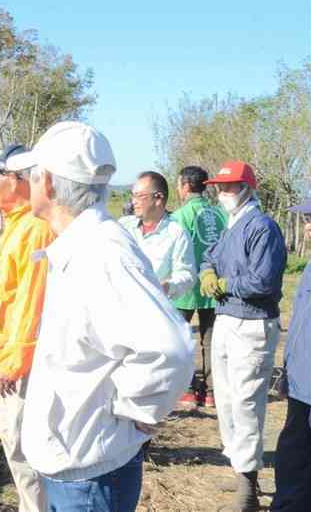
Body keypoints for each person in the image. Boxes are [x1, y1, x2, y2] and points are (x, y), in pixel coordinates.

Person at [6, 121, 195, 512]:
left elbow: (169, 348)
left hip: (89, 476)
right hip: (77, 465)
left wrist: (135, 410)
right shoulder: (84, 244)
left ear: (52, 185)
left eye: (33, 175)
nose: (27, 182)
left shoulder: (102, 254)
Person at [0, 144, 56, 512]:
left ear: (18, 181)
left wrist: (11, 361)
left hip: (21, 364)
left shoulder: (35, 230)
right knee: (16, 444)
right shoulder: (18, 226)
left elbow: (32, 302)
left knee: (23, 446)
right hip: (10, 357)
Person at [199, 161, 287, 512]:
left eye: (231, 186)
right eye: (220, 187)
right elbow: (212, 255)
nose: (223, 193)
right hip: (226, 319)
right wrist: (207, 270)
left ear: (248, 189)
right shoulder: (232, 224)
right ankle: (240, 470)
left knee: (247, 403)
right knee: (227, 401)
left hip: (252, 323)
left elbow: (263, 281)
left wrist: (225, 284)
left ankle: (248, 487)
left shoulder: (262, 226)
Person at [172, 166, 227, 409]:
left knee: (180, 339)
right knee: (211, 339)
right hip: (214, 287)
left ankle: (187, 389)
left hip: (185, 289)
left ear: (184, 186)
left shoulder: (180, 216)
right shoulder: (220, 214)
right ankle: (211, 392)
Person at [271, 198, 311, 512]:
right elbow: (299, 324)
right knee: (292, 458)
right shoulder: (310, 265)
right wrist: (287, 370)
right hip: (301, 381)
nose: (308, 227)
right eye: (307, 219)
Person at [118, 171, 196, 301]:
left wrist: (166, 287)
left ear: (158, 198)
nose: (134, 202)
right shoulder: (123, 226)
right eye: (133, 196)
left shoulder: (176, 233)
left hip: (156, 309)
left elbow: (187, 274)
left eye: (139, 196)